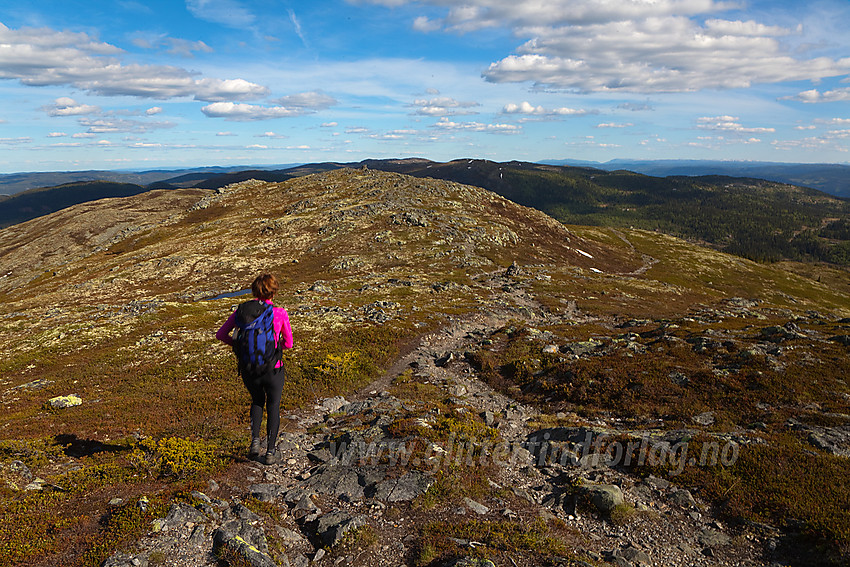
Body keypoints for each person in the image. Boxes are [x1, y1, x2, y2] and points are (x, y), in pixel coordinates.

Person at [216, 273, 293, 464]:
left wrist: (240, 347)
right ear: (273, 292)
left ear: (253, 290)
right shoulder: (280, 313)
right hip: (273, 368)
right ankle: (270, 452)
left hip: (250, 368)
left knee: (257, 401)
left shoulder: (242, 312)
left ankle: (255, 443)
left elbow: (221, 334)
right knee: (273, 405)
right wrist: (276, 347)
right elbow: (289, 343)